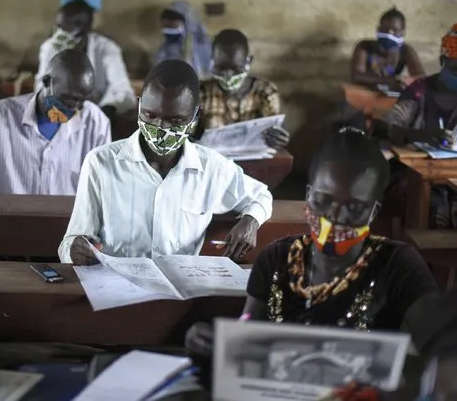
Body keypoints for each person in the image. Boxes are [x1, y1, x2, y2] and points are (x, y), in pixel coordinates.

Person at [186, 128, 438, 358]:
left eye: (355, 207)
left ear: (373, 212)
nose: (336, 218)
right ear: (308, 196)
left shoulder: (399, 266)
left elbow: (433, 348)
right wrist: (218, 341)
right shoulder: (276, 259)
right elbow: (248, 330)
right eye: (323, 200)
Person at [58, 59, 273, 264]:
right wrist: (74, 251)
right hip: (118, 287)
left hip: (180, 293)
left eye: (175, 121)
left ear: (195, 116)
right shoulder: (101, 163)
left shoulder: (211, 168)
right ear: (140, 106)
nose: (161, 129)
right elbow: (71, 242)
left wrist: (250, 221)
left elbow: (261, 195)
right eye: (150, 116)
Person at [0, 49, 110, 196]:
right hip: (13, 217)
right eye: (68, 99)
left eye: (81, 102)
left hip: (70, 218)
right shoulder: (0, 116)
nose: (74, 109)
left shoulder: (96, 122)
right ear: (47, 81)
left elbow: (101, 194)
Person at [373, 24, 457, 228]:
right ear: (443, 60)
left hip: (451, 178)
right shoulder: (420, 91)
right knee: (434, 209)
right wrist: (423, 135)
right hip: (410, 174)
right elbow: (388, 126)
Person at [34, 0, 135, 119]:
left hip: (97, 113)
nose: (63, 34)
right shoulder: (50, 47)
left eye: (71, 28)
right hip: (58, 113)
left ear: (86, 26)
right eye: (61, 27)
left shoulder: (106, 48)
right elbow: (42, 84)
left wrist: (106, 109)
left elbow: (121, 89)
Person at [197, 29, 289, 148]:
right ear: (212, 61)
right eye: (220, 68)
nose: (228, 76)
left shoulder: (265, 92)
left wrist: (277, 137)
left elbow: (275, 127)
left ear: (248, 61)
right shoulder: (201, 92)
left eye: (237, 69)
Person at [350, 7, 424, 92]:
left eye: (395, 30)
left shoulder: (405, 50)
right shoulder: (364, 46)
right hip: (366, 93)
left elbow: (421, 78)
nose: (389, 33)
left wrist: (406, 82)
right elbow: (356, 76)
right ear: (378, 29)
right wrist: (391, 81)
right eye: (385, 30)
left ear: (403, 33)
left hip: (391, 96)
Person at [155, 1, 212, 80]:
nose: (168, 31)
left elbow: (208, 68)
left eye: (173, 27)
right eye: (165, 28)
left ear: (186, 24)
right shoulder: (165, 50)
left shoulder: (201, 44)